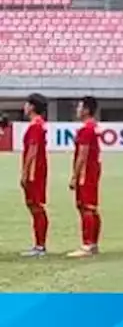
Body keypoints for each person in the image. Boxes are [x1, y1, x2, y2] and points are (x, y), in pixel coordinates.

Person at [67, 96, 103, 258]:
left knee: (86, 207)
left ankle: (87, 244)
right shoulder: (93, 127)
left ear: (87, 110)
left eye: (80, 107)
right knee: (91, 208)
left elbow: (83, 154)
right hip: (93, 170)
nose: (77, 110)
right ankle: (93, 243)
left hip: (86, 172)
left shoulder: (86, 129)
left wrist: (75, 176)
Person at [19, 93, 49, 257]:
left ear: (31, 106)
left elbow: (32, 149)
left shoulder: (35, 126)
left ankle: (40, 246)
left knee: (36, 206)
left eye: (26, 104)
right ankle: (39, 244)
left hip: (34, 172)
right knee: (35, 207)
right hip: (37, 169)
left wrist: (25, 172)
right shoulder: (38, 125)